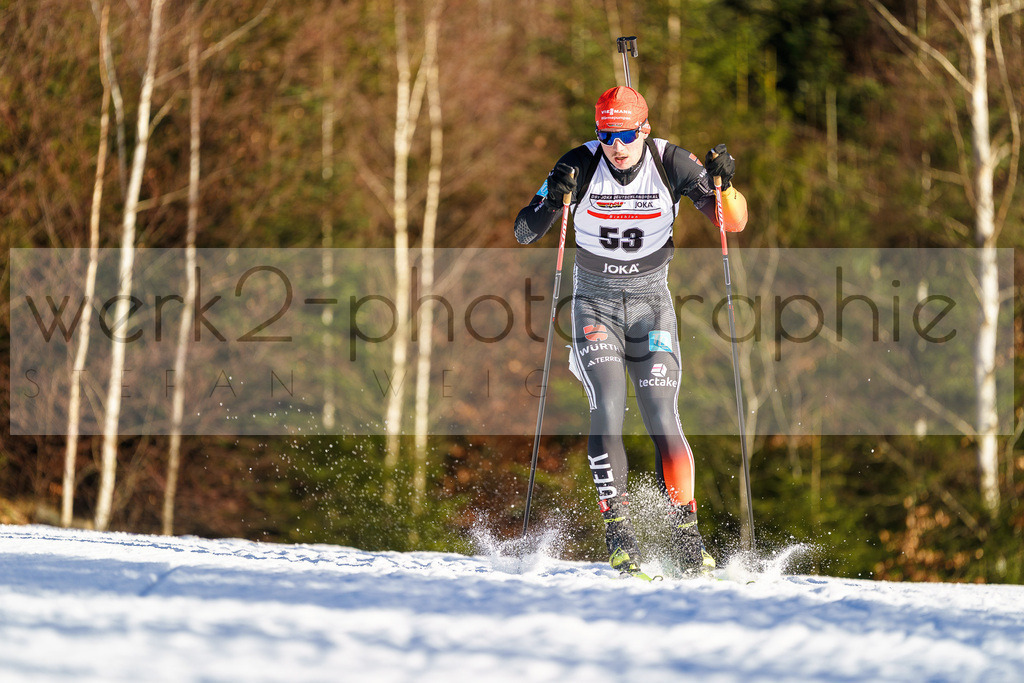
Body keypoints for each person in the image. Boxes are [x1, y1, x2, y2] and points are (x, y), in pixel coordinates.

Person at [513, 86, 748, 579]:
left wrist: (724, 184)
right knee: (609, 404)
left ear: (643, 129)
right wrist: (553, 197)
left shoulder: (673, 163)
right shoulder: (579, 162)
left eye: (624, 134)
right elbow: (524, 230)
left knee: (663, 414)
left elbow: (737, 222)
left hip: (651, 306)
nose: (615, 145)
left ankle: (688, 537)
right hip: (595, 303)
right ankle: (619, 535)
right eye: (605, 134)